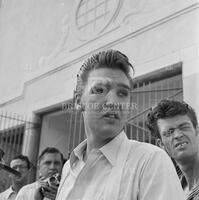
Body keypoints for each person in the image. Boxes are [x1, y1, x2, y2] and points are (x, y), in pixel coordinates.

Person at [56, 49, 185, 200]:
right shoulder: (68, 168)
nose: (113, 102)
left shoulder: (150, 161)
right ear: (78, 100)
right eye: (99, 90)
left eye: (122, 93)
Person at [146, 99, 199, 200]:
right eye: (169, 132)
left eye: (184, 127)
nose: (178, 135)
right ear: (161, 144)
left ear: (196, 131)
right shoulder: (168, 188)